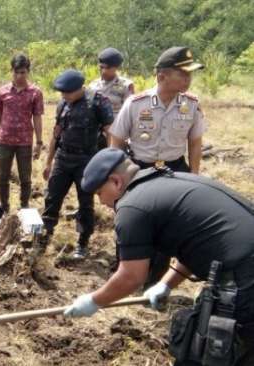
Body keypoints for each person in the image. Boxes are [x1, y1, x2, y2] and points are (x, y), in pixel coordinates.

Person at [64, 148, 254, 365]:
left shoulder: (132, 206)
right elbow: (196, 243)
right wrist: (166, 284)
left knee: (205, 356)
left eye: (99, 193)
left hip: (244, 281)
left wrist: (93, 301)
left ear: (116, 182)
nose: (101, 202)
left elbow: (131, 277)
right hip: (243, 267)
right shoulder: (173, 180)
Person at [40, 69, 114, 258]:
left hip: (87, 161)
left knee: (85, 203)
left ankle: (83, 242)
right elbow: (56, 135)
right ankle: (44, 237)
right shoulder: (63, 104)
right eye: (62, 93)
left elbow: (110, 132)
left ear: (80, 88)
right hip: (63, 158)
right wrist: (48, 162)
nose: (64, 96)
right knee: (52, 197)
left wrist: (111, 162)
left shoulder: (98, 101)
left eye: (67, 92)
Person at [110, 46, 205, 173]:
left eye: (190, 74)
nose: (188, 79)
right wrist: (123, 173)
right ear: (161, 77)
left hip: (176, 169)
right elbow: (117, 142)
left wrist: (194, 175)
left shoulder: (192, 104)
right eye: (183, 74)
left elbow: (195, 143)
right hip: (141, 168)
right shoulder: (135, 104)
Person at [0, 53, 44, 212]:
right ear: (12, 71)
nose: (19, 76)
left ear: (28, 72)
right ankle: (4, 207)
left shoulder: (35, 93)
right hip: (4, 140)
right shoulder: (3, 92)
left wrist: (39, 142)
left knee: (25, 178)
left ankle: (24, 206)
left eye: (23, 72)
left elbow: (37, 118)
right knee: (2, 177)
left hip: (25, 142)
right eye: (16, 72)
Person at [88, 47, 134, 149]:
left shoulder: (126, 85)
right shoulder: (93, 85)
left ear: (116, 67)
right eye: (101, 67)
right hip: (95, 134)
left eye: (107, 68)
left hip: (116, 134)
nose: (103, 71)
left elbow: (130, 112)